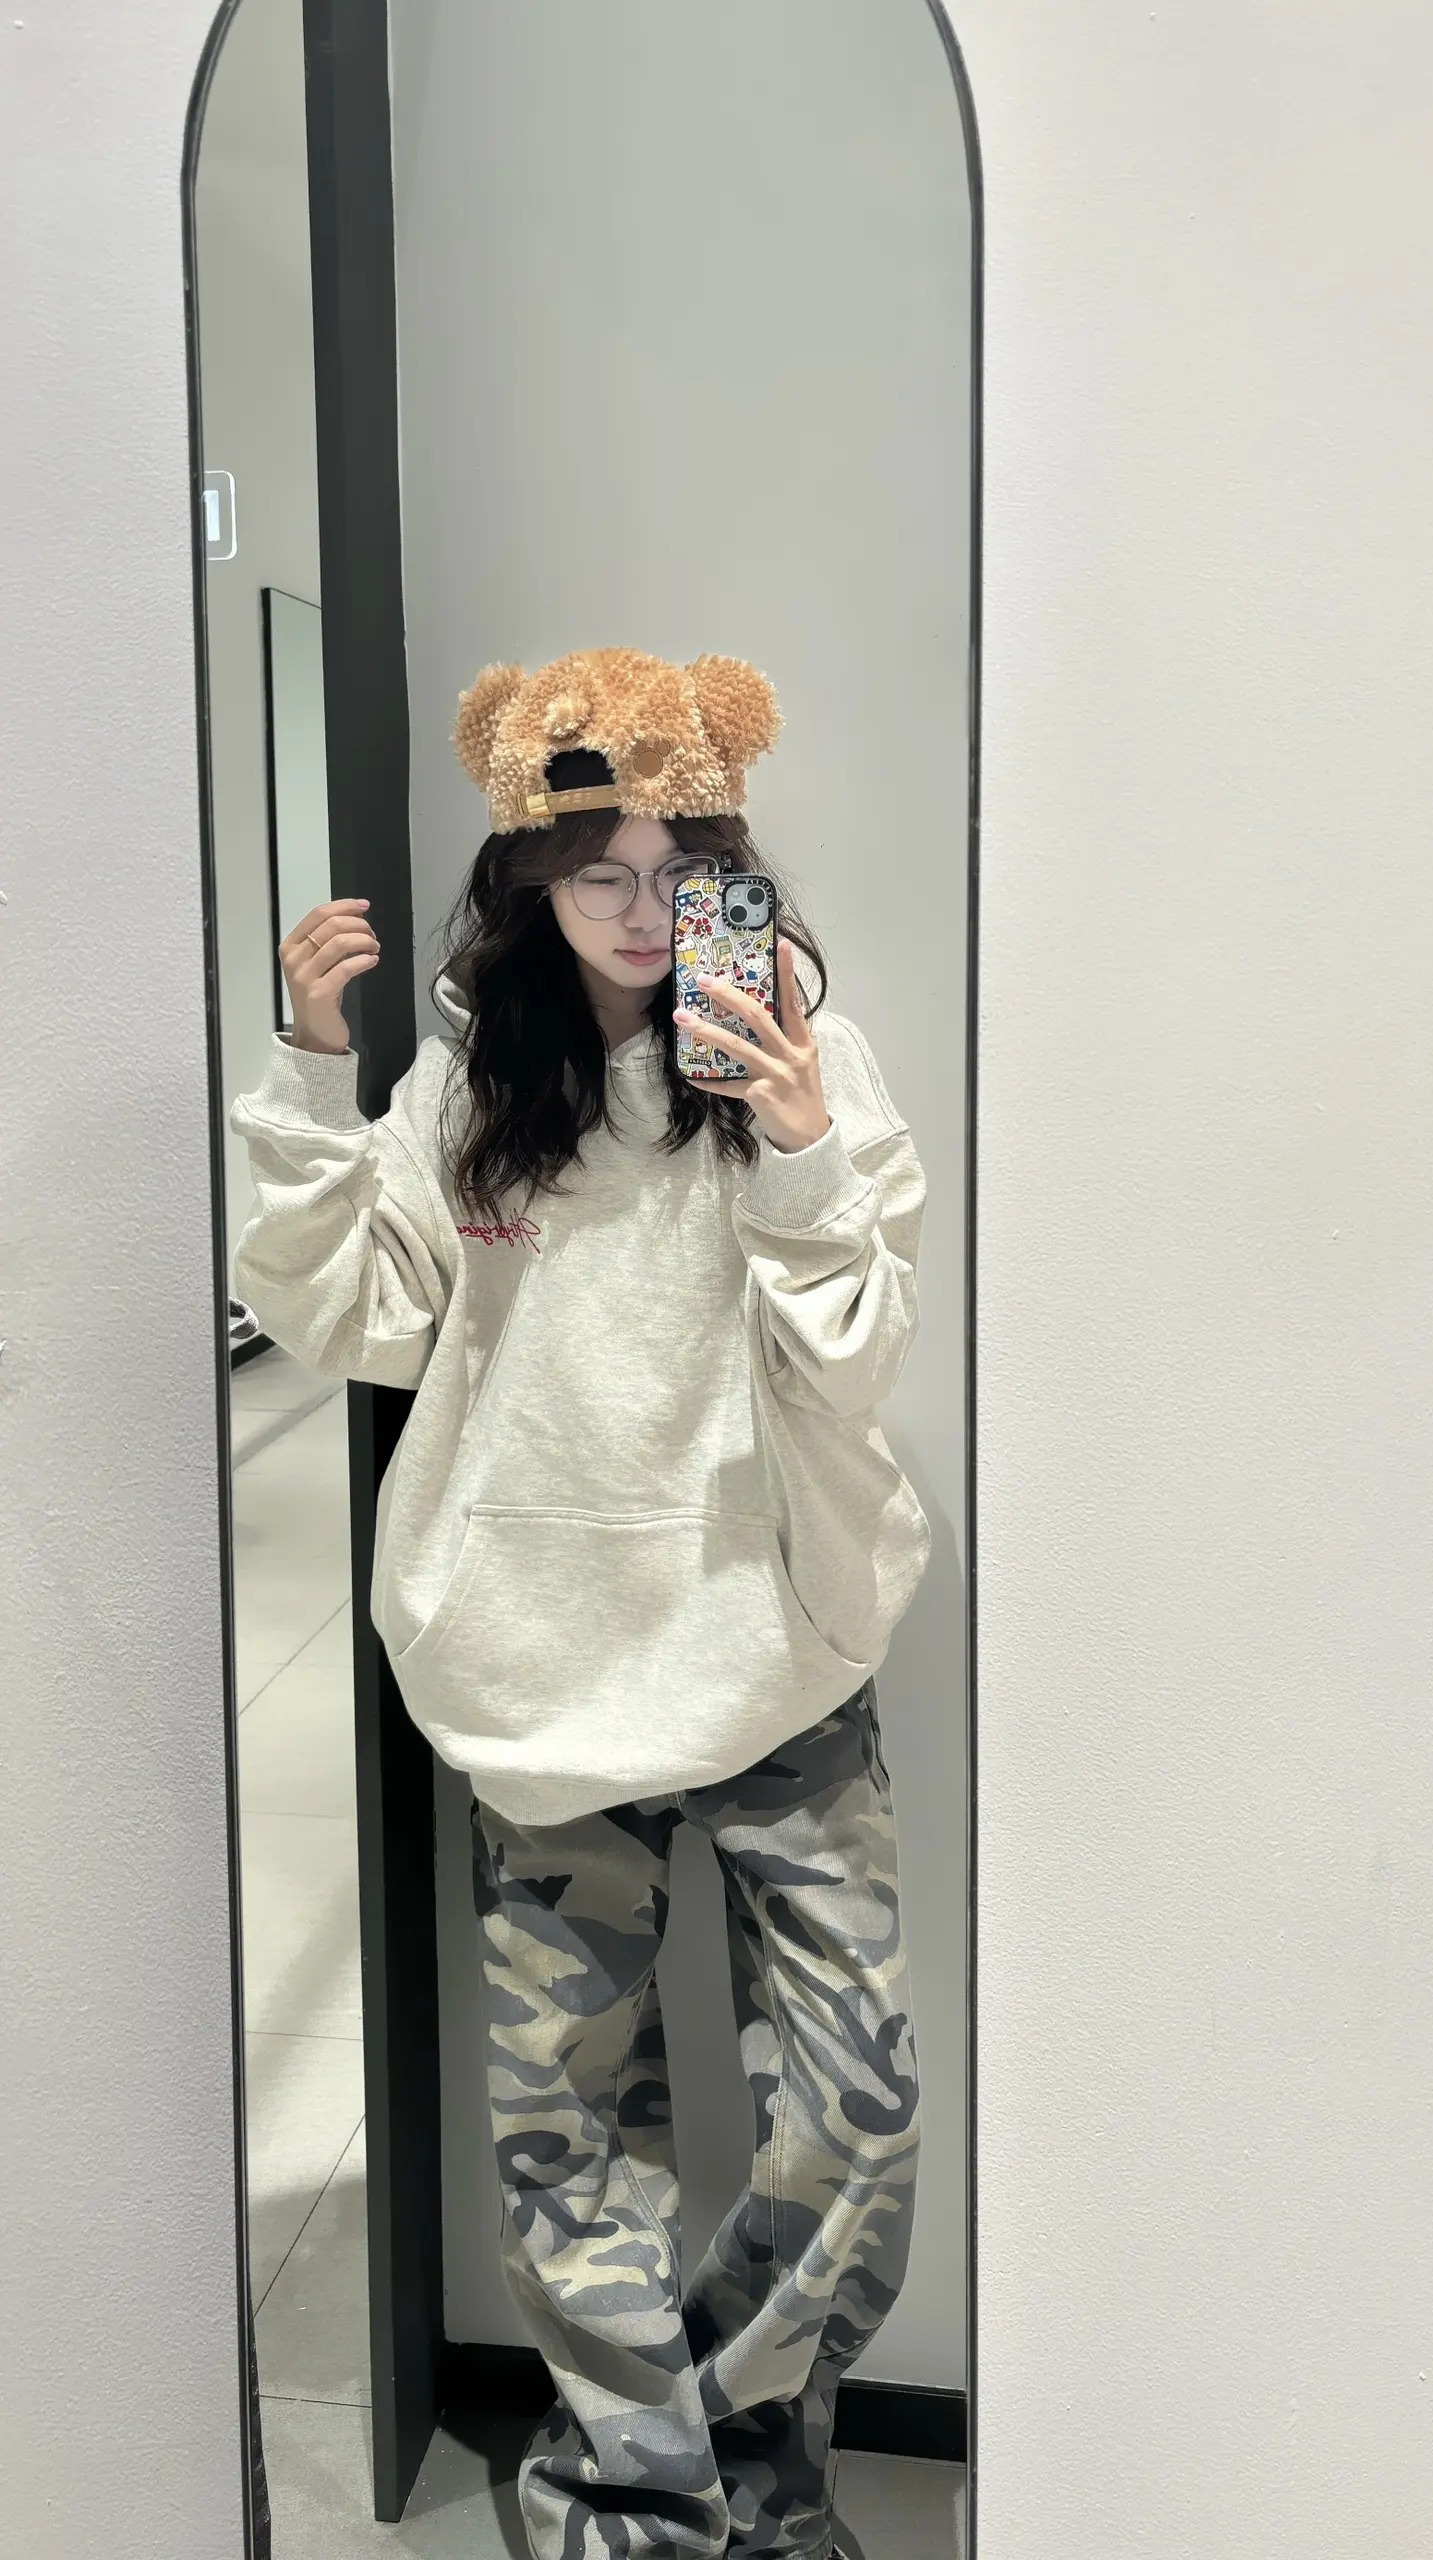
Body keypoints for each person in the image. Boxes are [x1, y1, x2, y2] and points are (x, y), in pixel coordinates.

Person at [230, 647, 930, 2560]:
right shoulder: (478, 1073)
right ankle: (649, 2501)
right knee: (564, 2129)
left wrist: (800, 1145)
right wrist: (311, 1069)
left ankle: (732, 2473)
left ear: (732, 871)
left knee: (856, 2124)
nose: (639, 910)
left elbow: (858, 1353)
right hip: (540, 1669)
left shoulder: (805, 1050)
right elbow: (359, 1314)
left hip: (779, 1648)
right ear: (531, 881)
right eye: (596, 871)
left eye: (680, 870)